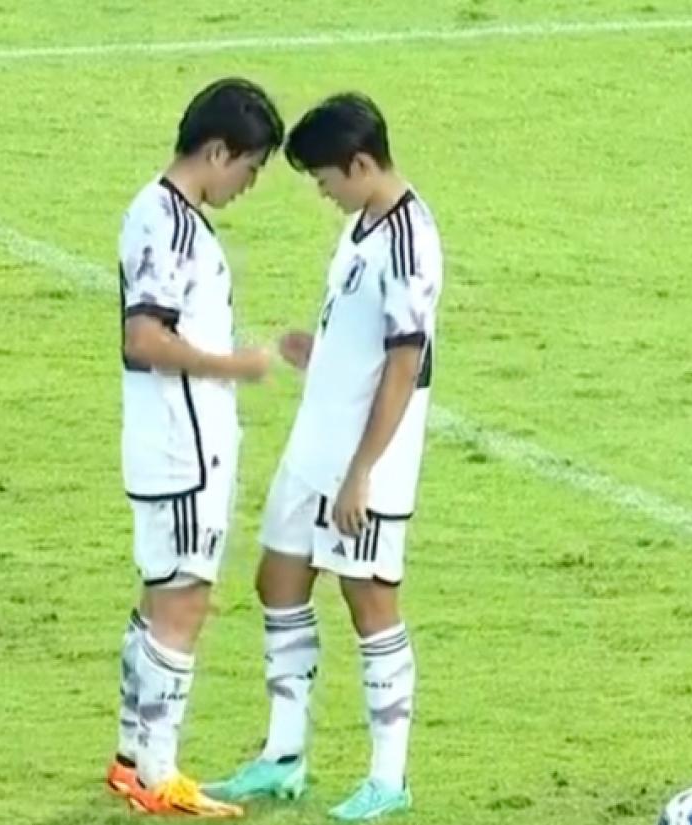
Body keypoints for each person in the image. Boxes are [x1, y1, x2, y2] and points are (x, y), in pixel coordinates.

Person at [209, 92, 444, 822]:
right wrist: (326, 354)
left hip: (366, 457)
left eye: (325, 179)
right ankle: (283, 754)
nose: (322, 192)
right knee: (278, 578)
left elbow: (407, 365)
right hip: (318, 441)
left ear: (363, 163)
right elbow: (367, 339)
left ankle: (387, 776)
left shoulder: (411, 241)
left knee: (368, 600)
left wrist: (364, 471)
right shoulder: (362, 223)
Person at [107, 76, 284, 819]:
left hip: (173, 444)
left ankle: (131, 759)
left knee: (161, 599)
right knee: (184, 601)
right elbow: (143, 337)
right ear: (217, 150)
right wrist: (233, 364)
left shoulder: (166, 216)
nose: (247, 185)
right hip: (183, 449)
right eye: (248, 168)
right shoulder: (168, 224)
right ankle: (159, 771)